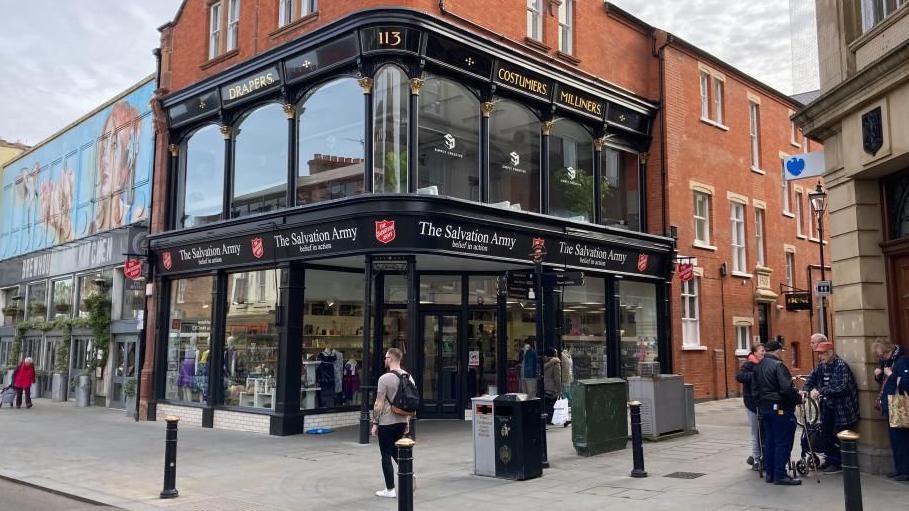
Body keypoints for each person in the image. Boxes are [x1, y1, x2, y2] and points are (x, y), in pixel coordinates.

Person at [801, 341, 859, 474]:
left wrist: (820, 391)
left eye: (822, 354)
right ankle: (830, 460)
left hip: (843, 408)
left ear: (830, 353)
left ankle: (838, 463)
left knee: (839, 435)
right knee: (827, 433)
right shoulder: (821, 366)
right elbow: (812, 377)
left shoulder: (841, 366)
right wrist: (805, 389)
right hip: (827, 406)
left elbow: (841, 387)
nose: (820, 357)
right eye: (819, 354)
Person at [752, 340, 802, 485]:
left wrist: (760, 404)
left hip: (764, 408)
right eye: (781, 351)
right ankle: (780, 475)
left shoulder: (758, 366)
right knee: (782, 442)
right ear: (777, 351)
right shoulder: (778, 366)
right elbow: (786, 389)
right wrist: (798, 399)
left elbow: (754, 390)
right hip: (780, 408)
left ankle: (770, 474)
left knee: (769, 441)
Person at [371, 348, 412, 498]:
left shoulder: (384, 378)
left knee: (386, 454)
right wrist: (407, 421)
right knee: (396, 449)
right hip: (401, 420)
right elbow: (409, 402)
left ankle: (390, 489)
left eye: (385, 357)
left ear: (390, 359)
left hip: (387, 421)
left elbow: (378, 403)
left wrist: (375, 423)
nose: (384, 360)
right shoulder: (408, 377)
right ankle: (408, 474)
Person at [872, 339, 909, 480]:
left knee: (901, 439)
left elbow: (906, 382)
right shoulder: (887, 362)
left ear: (889, 351)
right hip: (891, 405)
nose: (881, 359)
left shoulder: (902, 361)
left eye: (882, 355)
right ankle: (899, 469)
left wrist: (890, 375)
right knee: (894, 439)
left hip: (900, 406)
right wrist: (879, 375)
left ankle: (905, 470)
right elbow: (886, 383)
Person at [736, 343, 765, 470]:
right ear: (754, 353)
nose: (763, 353)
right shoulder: (749, 365)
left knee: (763, 431)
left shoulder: (765, 363)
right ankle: (756, 460)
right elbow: (739, 376)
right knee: (755, 432)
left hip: (763, 402)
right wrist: (755, 375)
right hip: (751, 403)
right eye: (761, 351)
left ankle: (758, 456)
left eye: (764, 351)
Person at [542, 348, 562, 425]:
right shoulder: (556, 363)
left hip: (544, 386)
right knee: (551, 404)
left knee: (546, 404)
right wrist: (559, 389)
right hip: (552, 387)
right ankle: (550, 419)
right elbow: (557, 377)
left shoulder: (543, 362)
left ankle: (546, 419)